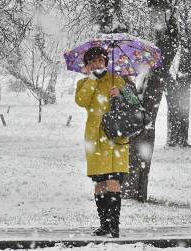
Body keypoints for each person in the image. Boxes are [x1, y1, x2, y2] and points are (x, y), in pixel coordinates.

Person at [75, 46, 129, 238]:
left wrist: (121, 95)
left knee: (113, 181)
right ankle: (104, 225)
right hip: (95, 140)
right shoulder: (83, 83)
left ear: (106, 61)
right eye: (93, 61)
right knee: (100, 183)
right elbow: (82, 101)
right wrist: (91, 79)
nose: (98, 64)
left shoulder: (118, 79)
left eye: (101, 60)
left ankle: (114, 226)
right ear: (87, 65)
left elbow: (134, 103)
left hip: (116, 138)